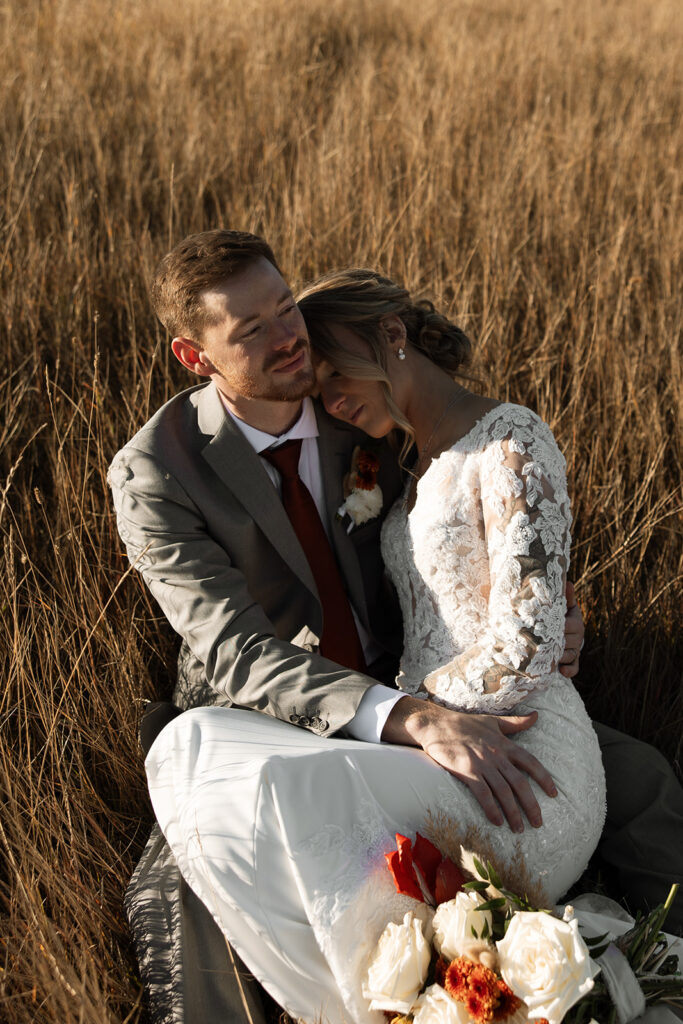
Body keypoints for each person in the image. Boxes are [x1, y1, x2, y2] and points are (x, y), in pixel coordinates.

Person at [109, 230, 682, 1023]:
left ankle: (665, 974)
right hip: (277, 717)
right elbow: (235, 651)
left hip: (448, 683)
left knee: (642, 778)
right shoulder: (158, 471)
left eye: (285, 308)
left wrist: (554, 619)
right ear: (193, 355)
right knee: (188, 885)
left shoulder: (351, 401)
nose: (287, 338)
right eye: (250, 330)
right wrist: (406, 714)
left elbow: (473, 518)